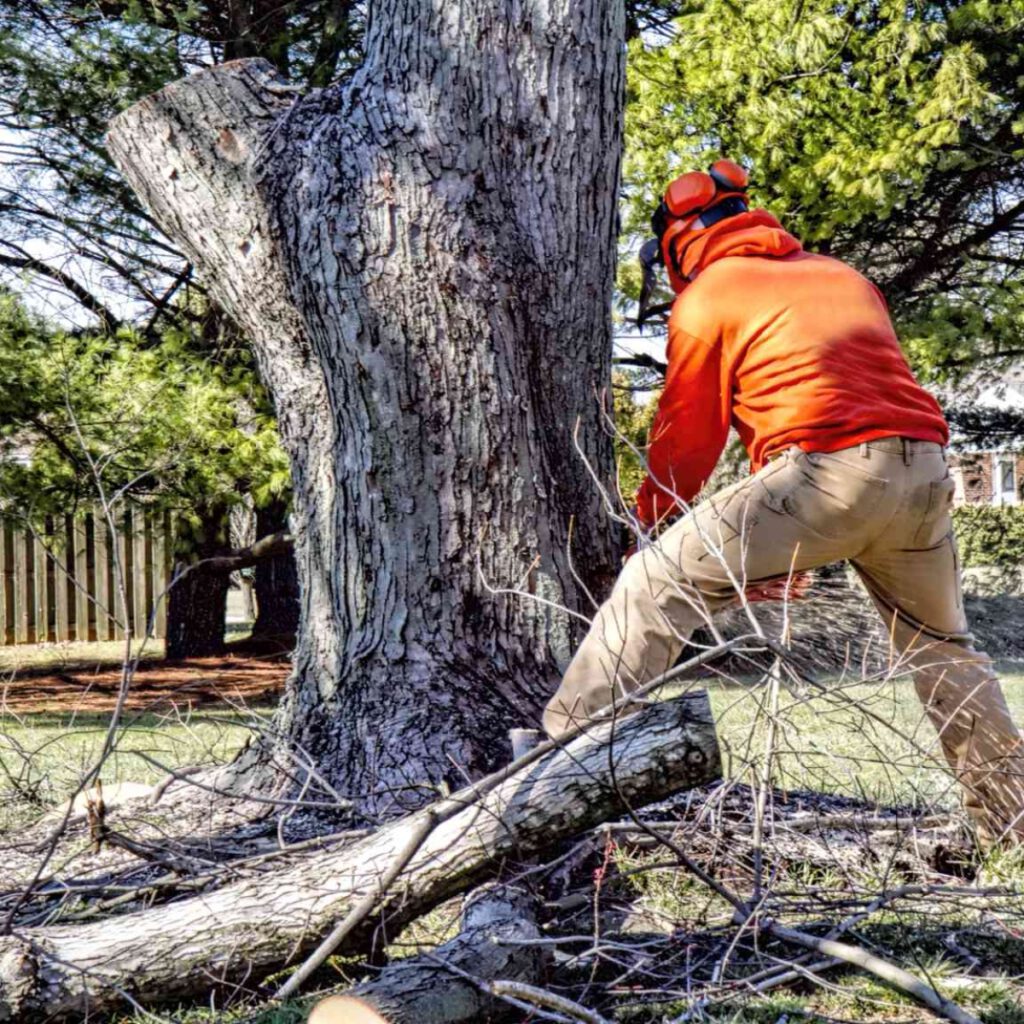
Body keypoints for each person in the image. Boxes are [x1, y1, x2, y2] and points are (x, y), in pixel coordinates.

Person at [542, 159, 1024, 847]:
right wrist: (776, 547)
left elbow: (688, 440)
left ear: (680, 239)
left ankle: (548, 770)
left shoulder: (712, 293)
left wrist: (644, 524)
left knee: (653, 584)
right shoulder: (840, 275)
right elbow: (839, 398)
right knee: (944, 649)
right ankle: (1011, 826)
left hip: (830, 471)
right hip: (924, 472)